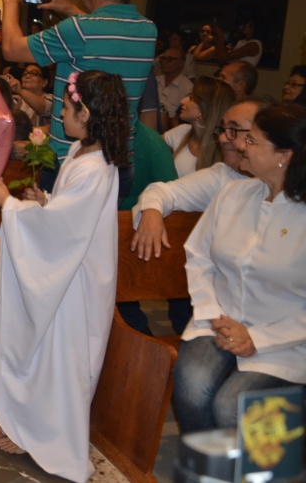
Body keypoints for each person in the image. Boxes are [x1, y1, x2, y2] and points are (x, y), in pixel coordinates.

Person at [0, 70, 130, 481]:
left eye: (66, 106)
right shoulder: (82, 151)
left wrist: (8, 203)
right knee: (45, 354)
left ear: (87, 112)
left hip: (77, 282)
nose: (60, 113)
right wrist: (46, 202)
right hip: (66, 266)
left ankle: (46, 436)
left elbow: (67, 230)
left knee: (62, 360)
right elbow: (68, 216)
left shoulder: (96, 167)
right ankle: (28, 422)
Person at [171, 104, 306, 433]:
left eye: (254, 141)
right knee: (192, 388)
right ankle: (210, 470)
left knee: (233, 406)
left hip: (287, 339)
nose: (242, 146)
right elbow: (198, 255)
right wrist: (212, 311)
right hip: (219, 318)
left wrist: (257, 338)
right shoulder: (234, 193)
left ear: (284, 155)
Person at [1, 0, 156, 201]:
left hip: (72, 160)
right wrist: (69, 8)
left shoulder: (79, 30)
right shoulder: (148, 30)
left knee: (57, 237)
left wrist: (10, 0)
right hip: (120, 162)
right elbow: (103, 34)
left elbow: (10, 49)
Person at [131, 96, 274, 261]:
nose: (221, 138)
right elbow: (164, 192)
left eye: (234, 130)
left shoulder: (289, 191)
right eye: (223, 129)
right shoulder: (222, 177)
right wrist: (151, 212)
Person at [163, 76, 235, 178]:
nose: (182, 101)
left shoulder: (224, 149)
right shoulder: (181, 131)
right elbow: (149, 147)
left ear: (208, 108)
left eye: (191, 98)